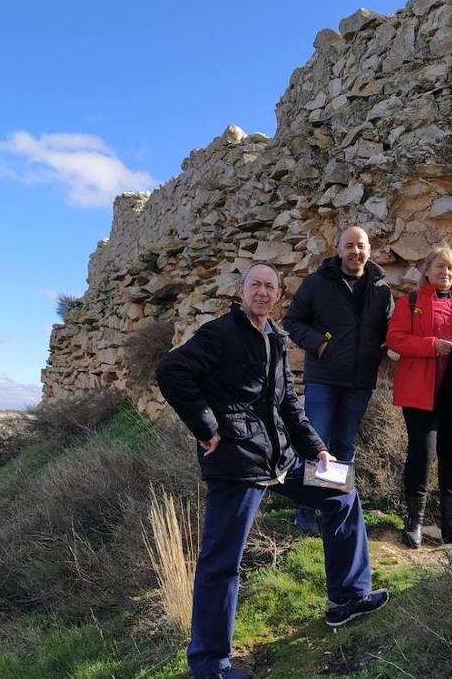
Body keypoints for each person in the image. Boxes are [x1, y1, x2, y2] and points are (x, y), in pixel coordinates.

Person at [156, 262, 389, 679]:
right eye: (256, 285)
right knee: (221, 562)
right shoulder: (219, 333)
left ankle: (347, 599)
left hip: (283, 460)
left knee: (343, 489)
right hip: (238, 465)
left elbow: (289, 407)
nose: (263, 292)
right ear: (241, 291)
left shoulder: (276, 339)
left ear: (279, 296)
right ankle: (209, 666)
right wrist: (206, 427)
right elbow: (170, 371)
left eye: (270, 287)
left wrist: (318, 450)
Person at [283, 226, 393, 533]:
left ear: (369, 249)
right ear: (339, 249)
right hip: (324, 377)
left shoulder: (381, 289)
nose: (355, 252)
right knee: (316, 441)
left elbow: (390, 329)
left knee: (345, 445)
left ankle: (336, 508)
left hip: (360, 381)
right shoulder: (317, 283)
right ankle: (305, 512)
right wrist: (320, 344)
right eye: (349, 246)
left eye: (361, 246)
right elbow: (292, 321)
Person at [386, 246, 452, 547]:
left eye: (450, 268)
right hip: (420, 391)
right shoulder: (409, 303)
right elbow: (394, 339)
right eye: (439, 267)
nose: (445, 273)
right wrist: (431, 345)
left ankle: (451, 524)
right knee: (422, 454)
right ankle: (415, 521)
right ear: (427, 270)